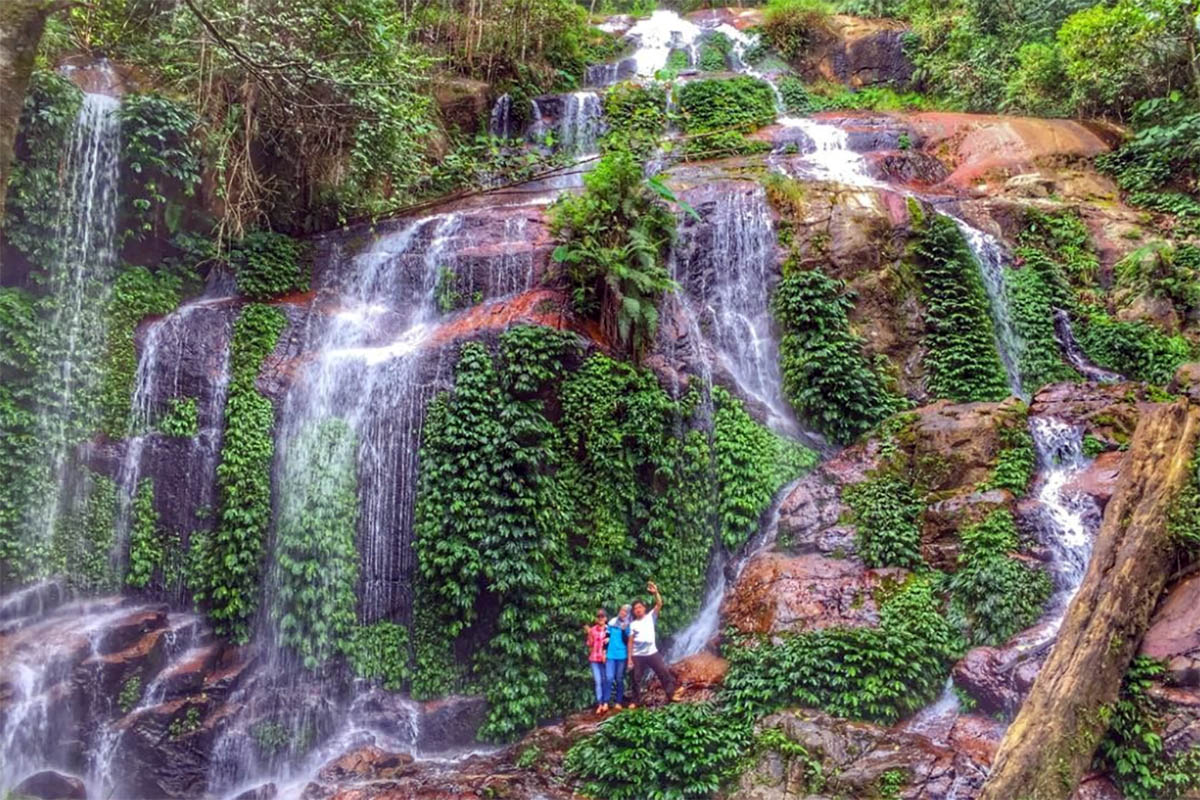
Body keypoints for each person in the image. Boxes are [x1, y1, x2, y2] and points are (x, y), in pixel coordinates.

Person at [627, 580, 680, 708]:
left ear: (644, 608)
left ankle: (671, 695)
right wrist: (629, 659)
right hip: (637, 655)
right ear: (634, 612)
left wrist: (656, 592)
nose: (638, 610)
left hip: (652, 652)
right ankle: (635, 701)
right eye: (635, 608)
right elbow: (630, 641)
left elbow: (659, 604)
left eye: (640, 607)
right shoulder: (632, 624)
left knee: (663, 672)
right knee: (635, 678)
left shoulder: (651, 616)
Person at [604, 603, 631, 709]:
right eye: (621, 610)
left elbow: (628, 641)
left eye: (625, 611)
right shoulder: (612, 622)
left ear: (628, 613)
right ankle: (606, 702)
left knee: (619, 678)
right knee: (609, 678)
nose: (622, 612)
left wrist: (624, 630)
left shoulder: (628, 625)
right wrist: (604, 651)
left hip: (622, 655)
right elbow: (606, 637)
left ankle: (618, 702)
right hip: (611, 654)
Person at [584, 607, 610, 713]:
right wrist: (588, 634)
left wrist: (606, 655)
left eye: (602, 616)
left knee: (606, 680)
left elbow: (611, 644)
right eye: (598, 616)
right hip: (594, 659)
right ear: (596, 618)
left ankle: (606, 702)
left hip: (605, 659)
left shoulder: (609, 629)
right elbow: (590, 644)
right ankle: (600, 703)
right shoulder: (593, 630)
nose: (600, 618)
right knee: (598, 681)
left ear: (606, 618)